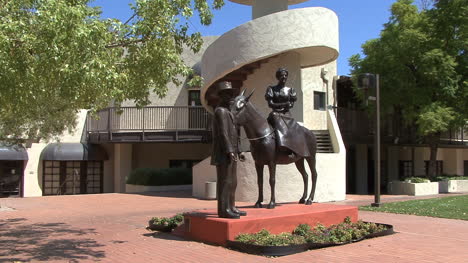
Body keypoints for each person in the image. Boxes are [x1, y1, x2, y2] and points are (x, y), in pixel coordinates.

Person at [210, 81, 246, 219]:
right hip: (224, 152)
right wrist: (229, 150)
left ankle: (231, 206)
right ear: (222, 96)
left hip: (232, 151)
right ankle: (223, 209)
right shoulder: (220, 111)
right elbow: (223, 133)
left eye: (232, 94)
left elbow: (236, 133)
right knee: (224, 181)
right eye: (228, 94)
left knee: (232, 181)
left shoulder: (229, 112)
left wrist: (240, 150)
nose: (231, 97)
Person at [265, 68, 309, 158]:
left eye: (285, 75)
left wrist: (285, 105)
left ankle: (292, 149)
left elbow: (291, 105)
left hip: (286, 114)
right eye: (282, 75)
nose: (284, 77)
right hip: (275, 114)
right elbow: (271, 104)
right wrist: (285, 104)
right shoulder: (271, 89)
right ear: (278, 77)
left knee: (293, 129)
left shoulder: (291, 90)